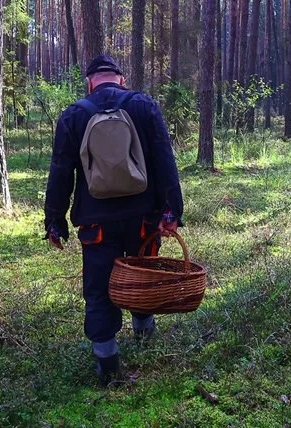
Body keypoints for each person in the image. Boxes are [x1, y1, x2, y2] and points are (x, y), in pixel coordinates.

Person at [43, 55, 184, 387]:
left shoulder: (74, 115)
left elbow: (61, 172)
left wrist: (54, 221)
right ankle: (145, 338)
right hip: (144, 219)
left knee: (99, 290)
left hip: (96, 224)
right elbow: (165, 159)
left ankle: (107, 366)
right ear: (121, 79)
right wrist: (171, 212)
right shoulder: (144, 106)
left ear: (90, 81)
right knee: (143, 279)